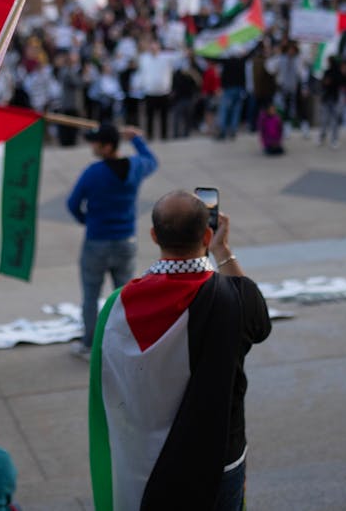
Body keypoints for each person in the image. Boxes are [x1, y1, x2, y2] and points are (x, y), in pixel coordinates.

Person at [89, 190, 271, 510]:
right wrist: (222, 250)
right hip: (219, 458)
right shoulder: (235, 298)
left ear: (154, 235)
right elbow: (259, 325)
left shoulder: (117, 305)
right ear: (207, 234)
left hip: (146, 463)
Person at [66, 124, 158, 359]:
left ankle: (89, 344)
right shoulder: (136, 167)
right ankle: (126, 343)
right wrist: (136, 139)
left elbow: (73, 204)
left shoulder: (93, 172)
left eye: (96, 143)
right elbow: (151, 160)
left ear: (107, 146)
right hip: (126, 240)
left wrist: (87, 220)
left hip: (97, 241)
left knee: (90, 295)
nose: (92, 146)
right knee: (125, 296)